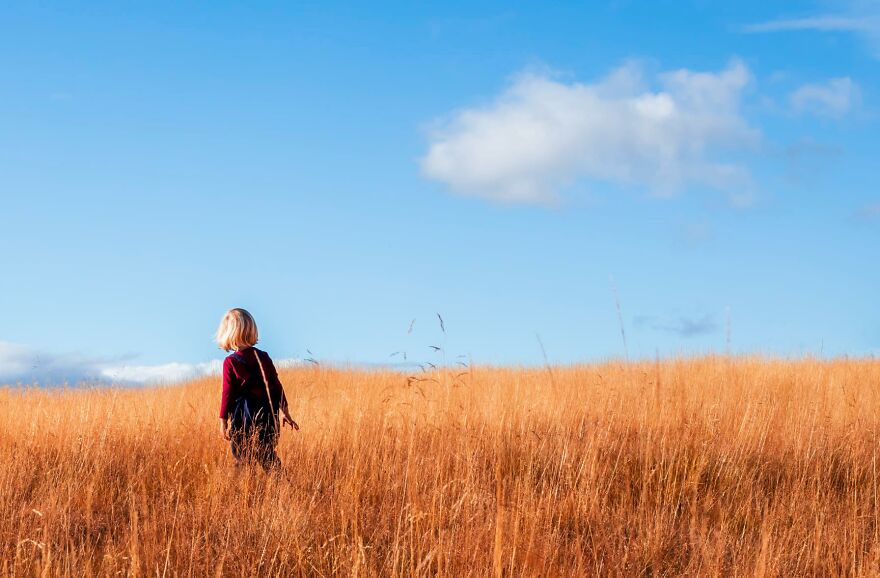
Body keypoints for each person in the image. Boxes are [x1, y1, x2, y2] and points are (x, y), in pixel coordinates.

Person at [215, 308, 299, 470]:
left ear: (227, 333)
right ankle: (281, 486)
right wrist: (285, 412)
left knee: (242, 458)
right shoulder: (264, 357)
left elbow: (227, 394)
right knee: (267, 454)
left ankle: (247, 489)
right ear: (251, 329)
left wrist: (223, 420)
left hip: (242, 417)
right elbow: (276, 386)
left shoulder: (230, 362)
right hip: (267, 414)